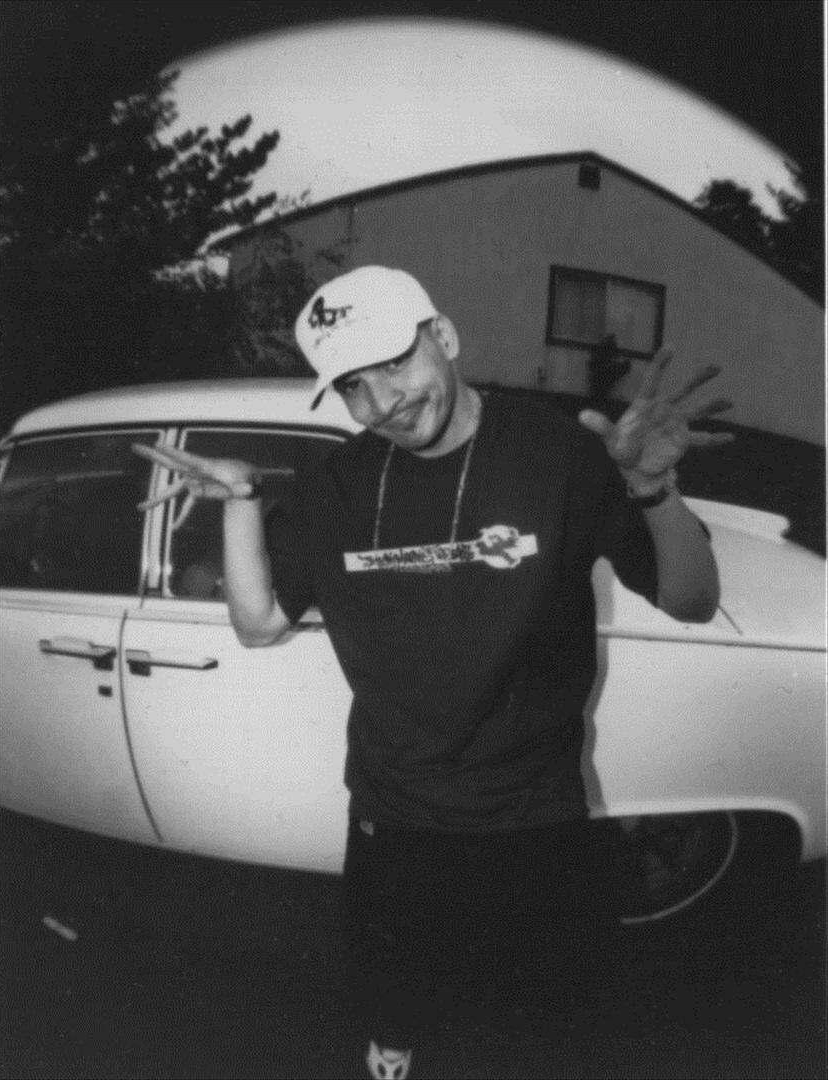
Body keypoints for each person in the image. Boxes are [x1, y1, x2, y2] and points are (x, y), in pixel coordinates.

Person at [134, 265, 733, 1079]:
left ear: (443, 337)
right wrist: (241, 503)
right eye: (352, 385)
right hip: (394, 816)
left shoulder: (558, 454)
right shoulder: (334, 485)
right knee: (394, 1005)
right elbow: (260, 624)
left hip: (534, 816)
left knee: (541, 1028)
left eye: (393, 363)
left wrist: (651, 489)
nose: (381, 401)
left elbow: (692, 601)